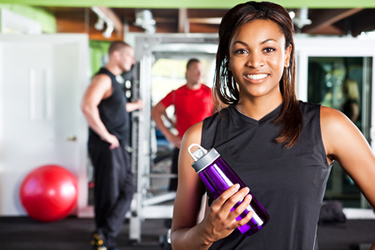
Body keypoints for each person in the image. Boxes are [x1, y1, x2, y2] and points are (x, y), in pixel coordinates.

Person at [171, 2, 375, 250]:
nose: (255, 62)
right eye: (241, 51)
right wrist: (206, 232)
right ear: (227, 57)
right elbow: (179, 241)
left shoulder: (328, 125)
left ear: (287, 55)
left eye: (268, 49)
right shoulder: (199, 137)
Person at [81, 41, 143, 250]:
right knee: (110, 195)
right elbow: (87, 106)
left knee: (127, 189)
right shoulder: (103, 78)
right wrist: (106, 135)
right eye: (129, 57)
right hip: (108, 146)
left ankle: (103, 234)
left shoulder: (113, 81)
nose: (132, 61)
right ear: (116, 55)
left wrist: (135, 106)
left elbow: (115, 108)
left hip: (117, 147)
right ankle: (104, 240)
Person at [151, 58, 214, 191]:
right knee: (180, 190)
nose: (199, 74)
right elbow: (156, 111)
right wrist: (169, 135)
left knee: (206, 190)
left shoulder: (209, 93)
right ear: (187, 72)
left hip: (205, 147)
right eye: (196, 70)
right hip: (183, 146)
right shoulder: (177, 94)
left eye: (201, 71)